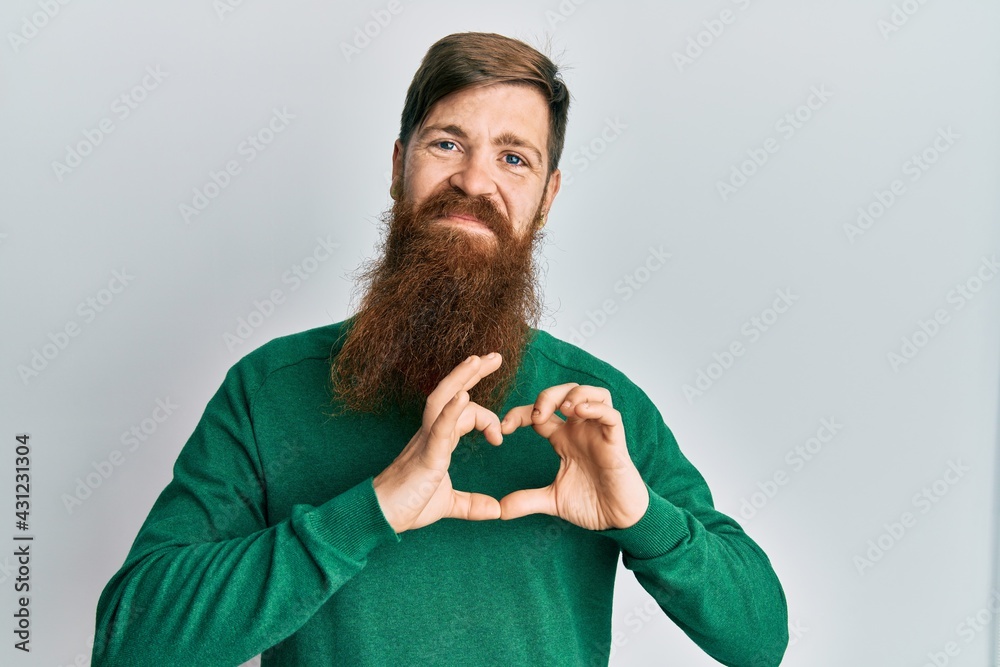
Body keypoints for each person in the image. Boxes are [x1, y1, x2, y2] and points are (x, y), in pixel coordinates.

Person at [91, 31, 788, 666]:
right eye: (447, 143)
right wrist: (374, 507)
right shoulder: (269, 389)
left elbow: (760, 636)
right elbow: (129, 643)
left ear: (547, 197)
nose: (474, 181)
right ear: (399, 166)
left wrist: (641, 514)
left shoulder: (600, 414)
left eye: (512, 158)